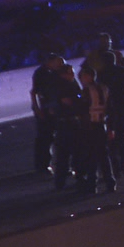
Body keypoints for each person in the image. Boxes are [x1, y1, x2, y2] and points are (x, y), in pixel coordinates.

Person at [96, 50, 124, 176]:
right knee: (123, 136)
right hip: (123, 107)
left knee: (111, 139)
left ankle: (115, 167)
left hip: (110, 109)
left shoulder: (101, 75)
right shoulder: (123, 71)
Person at [74, 65, 115, 194]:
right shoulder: (104, 88)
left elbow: (82, 108)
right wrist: (110, 127)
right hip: (101, 124)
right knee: (103, 156)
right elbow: (110, 108)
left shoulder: (87, 91)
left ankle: (92, 184)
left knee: (91, 156)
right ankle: (110, 182)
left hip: (90, 126)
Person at [30, 54, 65, 174]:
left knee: (50, 137)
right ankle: (43, 165)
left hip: (52, 107)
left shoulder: (52, 72)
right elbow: (37, 92)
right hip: (47, 108)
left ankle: (46, 164)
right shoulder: (42, 74)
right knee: (45, 137)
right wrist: (38, 108)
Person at [51, 63, 82, 191]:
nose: (72, 75)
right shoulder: (62, 86)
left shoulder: (71, 83)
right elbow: (70, 102)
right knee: (66, 154)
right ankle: (62, 181)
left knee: (72, 153)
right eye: (69, 72)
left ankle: (66, 180)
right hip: (66, 123)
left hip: (70, 122)